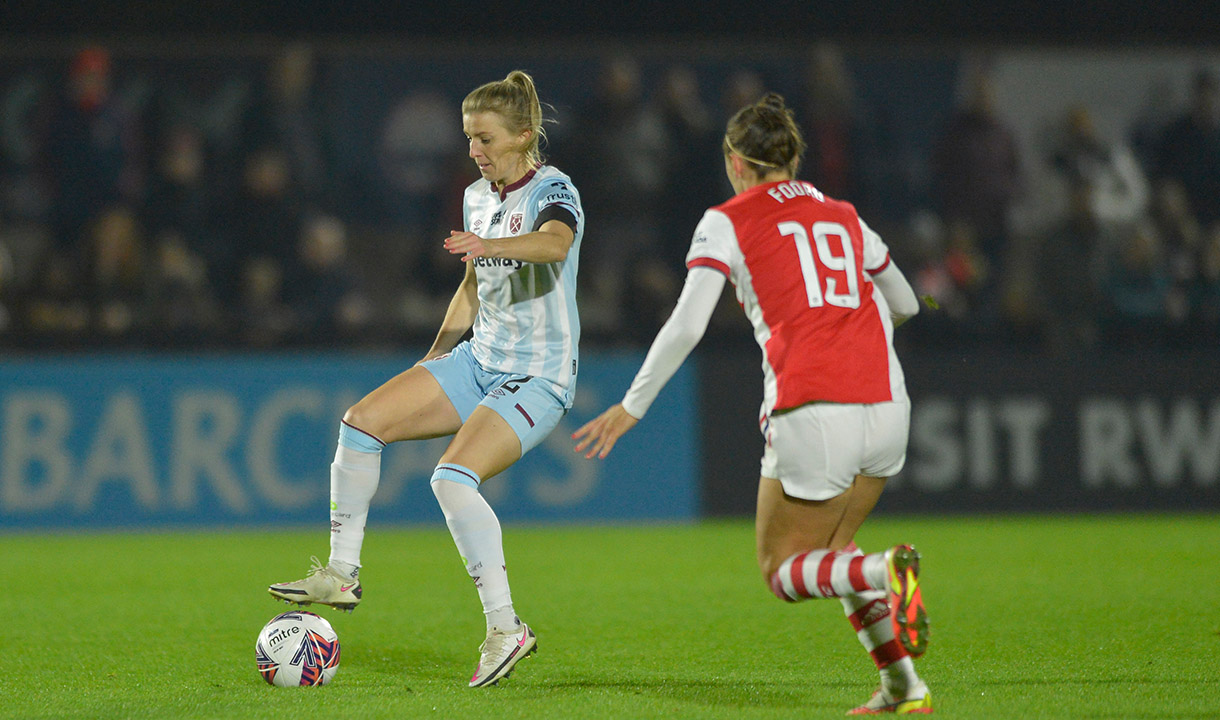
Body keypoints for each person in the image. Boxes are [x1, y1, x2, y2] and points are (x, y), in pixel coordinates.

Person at [573, 94, 931, 715]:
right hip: (888, 403)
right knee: (833, 554)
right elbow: (906, 304)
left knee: (780, 569)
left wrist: (632, 405)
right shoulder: (845, 215)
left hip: (813, 407)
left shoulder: (727, 219)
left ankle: (884, 572)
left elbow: (688, 324)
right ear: (792, 158)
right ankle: (905, 687)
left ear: (737, 163)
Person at [268, 70, 584, 688]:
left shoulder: (554, 188)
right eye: (469, 137)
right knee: (361, 424)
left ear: (523, 136)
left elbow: (554, 247)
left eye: (487, 138)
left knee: (452, 479)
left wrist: (491, 246)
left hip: (538, 374)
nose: (474, 150)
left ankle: (505, 629)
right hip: (479, 359)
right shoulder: (475, 197)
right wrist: (432, 359)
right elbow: (472, 288)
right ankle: (342, 572)